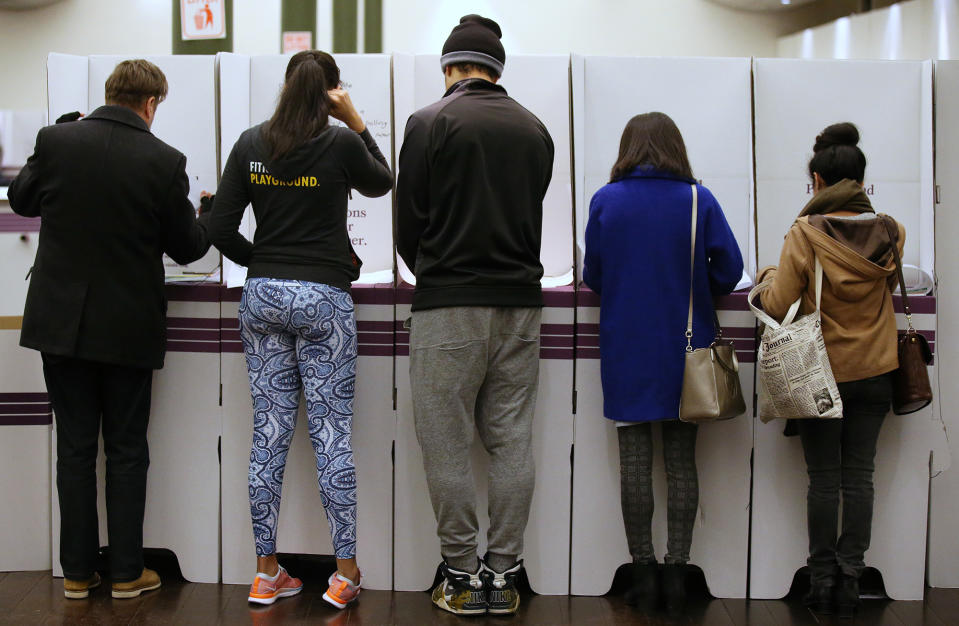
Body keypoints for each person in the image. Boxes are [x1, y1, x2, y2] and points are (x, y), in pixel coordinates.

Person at [8, 59, 211, 600]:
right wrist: (205, 215)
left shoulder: (56, 140)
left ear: (108, 93)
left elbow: (23, 201)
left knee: (74, 448)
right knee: (125, 448)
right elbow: (189, 248)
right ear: (151, 104)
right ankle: (126, 572)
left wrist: (48, 142)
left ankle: (76, 572)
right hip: (127, 328)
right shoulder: (164, 160)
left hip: (60, 325)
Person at [207, 50, 392, 609]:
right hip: (323, 298)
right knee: (331, 434)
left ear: (286, 88)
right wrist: (356, 119)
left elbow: (218, 226)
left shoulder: (249, 143)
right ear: (331, 91)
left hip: (262, 297)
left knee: (269, 433)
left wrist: (262, 258)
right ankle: (345, 574)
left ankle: (266, 572)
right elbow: (382, 182)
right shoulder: (339, 142)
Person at [396, 14, 554, 617]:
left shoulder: (429, 122)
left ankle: (461, 574)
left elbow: (410, 222)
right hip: (520, 304)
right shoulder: (535, 129)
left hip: (448, 304)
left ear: (449, 68)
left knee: (446, 441)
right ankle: (505, 573)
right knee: (512, 440)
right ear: (495, 69)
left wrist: (433, 268)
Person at [583, 112, 743, 615]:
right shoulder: (698, 198)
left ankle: (643, 573)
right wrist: (695, 288)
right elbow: (731, 269)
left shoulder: (607, 200)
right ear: (676, 147)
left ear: (628, 147)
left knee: (633, 463)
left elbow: (594, 275)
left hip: (626, 348)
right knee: (680, 463)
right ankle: (678, 574)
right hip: (686, 349)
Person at [757, 123, 903, 619]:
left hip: (822, 375)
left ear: (817, 182)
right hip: (878, 371)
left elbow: (778, 304)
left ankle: (821, 581)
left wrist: (768, 275)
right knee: (860, 477)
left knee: (823, 480)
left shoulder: (806, 233)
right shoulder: (890, 231)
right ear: (862, 181)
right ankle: (850, 575)